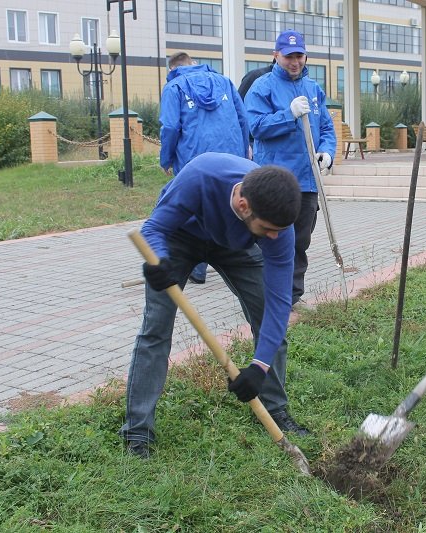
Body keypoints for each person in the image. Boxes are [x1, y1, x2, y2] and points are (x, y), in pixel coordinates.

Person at [120, 152, 310, 459]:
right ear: (243, 205)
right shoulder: (201, 176)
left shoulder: (278, 227)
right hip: (180, 237)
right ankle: (138, 430)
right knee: (156, 327)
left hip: (237, 245)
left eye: (279, 230)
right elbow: (154, 228)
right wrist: (160, 261)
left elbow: (278, 303)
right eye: (269, 229)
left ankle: (274, 411)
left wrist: (259, 367)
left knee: (267, 317)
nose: (275, 236)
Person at [245, 30, 337, 310]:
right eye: (288, 56)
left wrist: (327, 152)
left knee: (300, 241)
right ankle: (263, 296)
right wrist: (289, 114)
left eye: (299, 56)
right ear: (276, 56)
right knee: (270, 239)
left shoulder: (313, 88)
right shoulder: (262, 87)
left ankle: (292, 297)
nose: (294, 62)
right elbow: (256, 127)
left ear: (305, 55)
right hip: (275, 181)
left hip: (307, 181)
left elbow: (326, 127)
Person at [158, 51, 250, 285]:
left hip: (194, 158)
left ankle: (197, 266)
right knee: (231, 202)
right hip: (231, 157)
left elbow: (169, 127)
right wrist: (243, 152)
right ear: (194, 64)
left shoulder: (174, 88)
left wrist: (166, 158)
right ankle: (238, 260)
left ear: (172, 69)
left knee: (194, 206)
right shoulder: (224, 82)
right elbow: (242, 119)